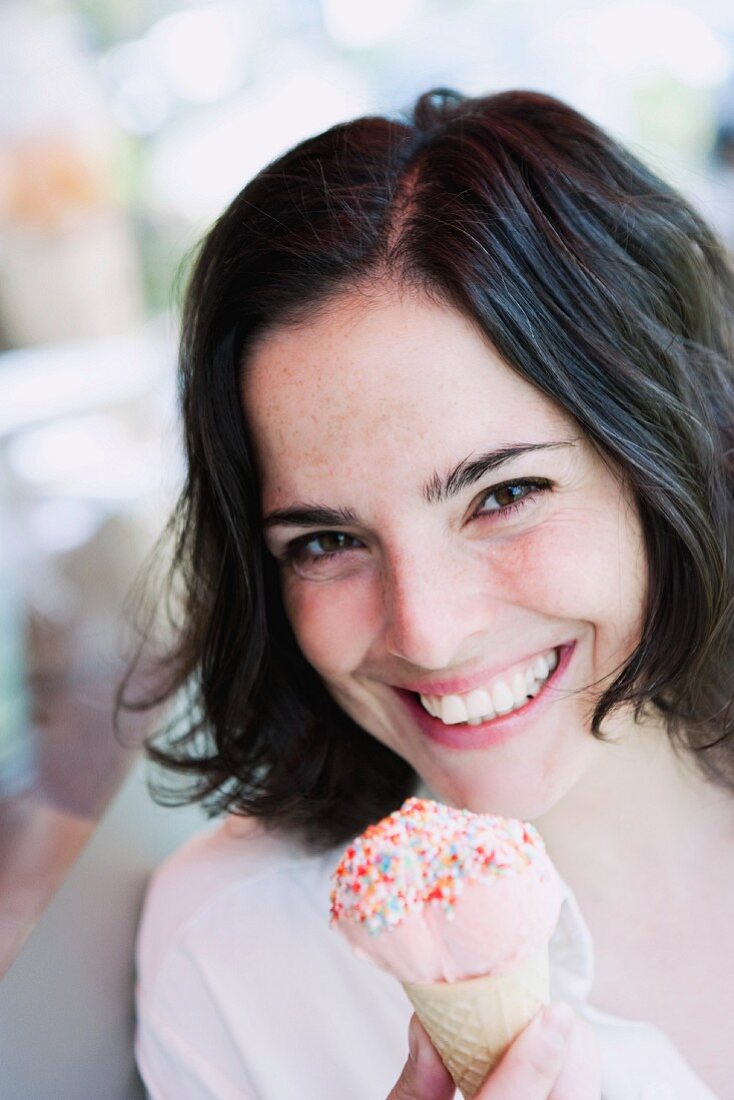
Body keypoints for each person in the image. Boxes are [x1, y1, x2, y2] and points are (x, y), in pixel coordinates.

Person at [129, 87, 734, 1099]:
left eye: (503, 494)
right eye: (326, 539)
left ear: (669, 455)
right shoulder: (233, 959)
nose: (430, 631)